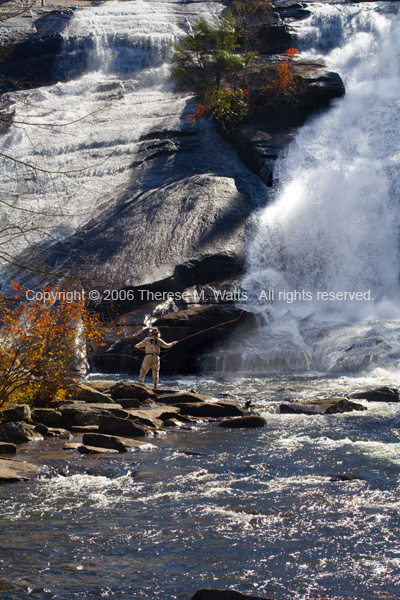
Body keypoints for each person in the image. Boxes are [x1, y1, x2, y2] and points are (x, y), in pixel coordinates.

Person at [135, 327, 178, 391]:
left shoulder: (147, 339)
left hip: (147, 357)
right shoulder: (159, 340)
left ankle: (140, 384)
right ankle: (155, 387)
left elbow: (139, 345)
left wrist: (136, 346)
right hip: (156, 357)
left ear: (150, 333)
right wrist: (173, 343)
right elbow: (167, 345)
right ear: (157, 334)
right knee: (155, 372)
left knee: (143, 370)